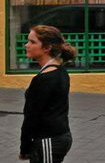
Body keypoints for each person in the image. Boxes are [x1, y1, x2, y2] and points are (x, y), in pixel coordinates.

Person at [19, 25, 75, 163]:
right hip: (59, 136)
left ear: (47, 48)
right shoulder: (60, 71)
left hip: (48, 139)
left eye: (32, 42)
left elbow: (31, 117)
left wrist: (24, 148)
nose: (27, 45)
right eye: (28, 41)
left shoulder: (44, 78)